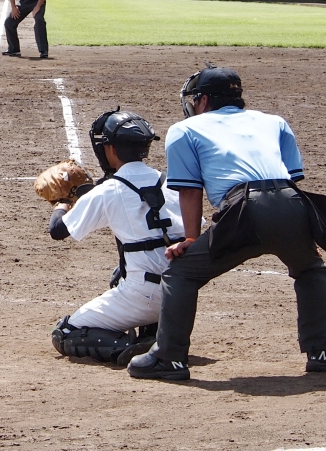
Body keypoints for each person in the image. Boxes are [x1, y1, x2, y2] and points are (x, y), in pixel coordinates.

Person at [127, 66, 326, 380]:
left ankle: (170, 358)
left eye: (195, 99)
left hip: (247, 210)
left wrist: (191, 238)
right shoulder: (274, 121)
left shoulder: (185, 129)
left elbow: (189, 190)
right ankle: (321, 352)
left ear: (204, 100)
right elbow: (291, 177)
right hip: (293, 203)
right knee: (311, 270)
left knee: (180, 273)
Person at [50, 109, 187, 366]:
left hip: (142, 295)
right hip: (181, 295)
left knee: (66, 333)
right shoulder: (172, 182)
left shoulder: (109, 190)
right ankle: (157, 334)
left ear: (110, 149)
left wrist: (62, 202)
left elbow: (58, 230)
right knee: (123, 269)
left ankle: (137, 348)